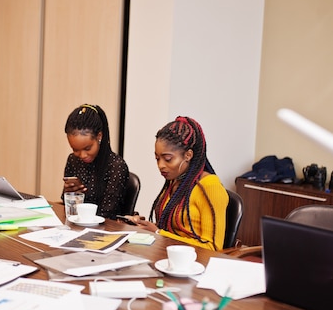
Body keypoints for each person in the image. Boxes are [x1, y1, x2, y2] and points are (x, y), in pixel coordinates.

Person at [130, 116, 228, 250]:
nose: (161, 165)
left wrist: (159, 233)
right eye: (157, 158)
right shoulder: (176, 181)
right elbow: (169, 229)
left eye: (168, 159)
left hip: (196, 264)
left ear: (188, 155)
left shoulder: (210, 187)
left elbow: (212, 248)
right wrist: (144, 225)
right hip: (168, 256)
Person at [62, 104, 130, 219]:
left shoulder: (116, 166)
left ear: (99, 136)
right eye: (75, 149)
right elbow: (67, 207)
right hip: (77, 225)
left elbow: (108, 214)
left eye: (87, 148)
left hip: (105, 229)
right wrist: (69, 193)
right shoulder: (73, 160)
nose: (82, 155)